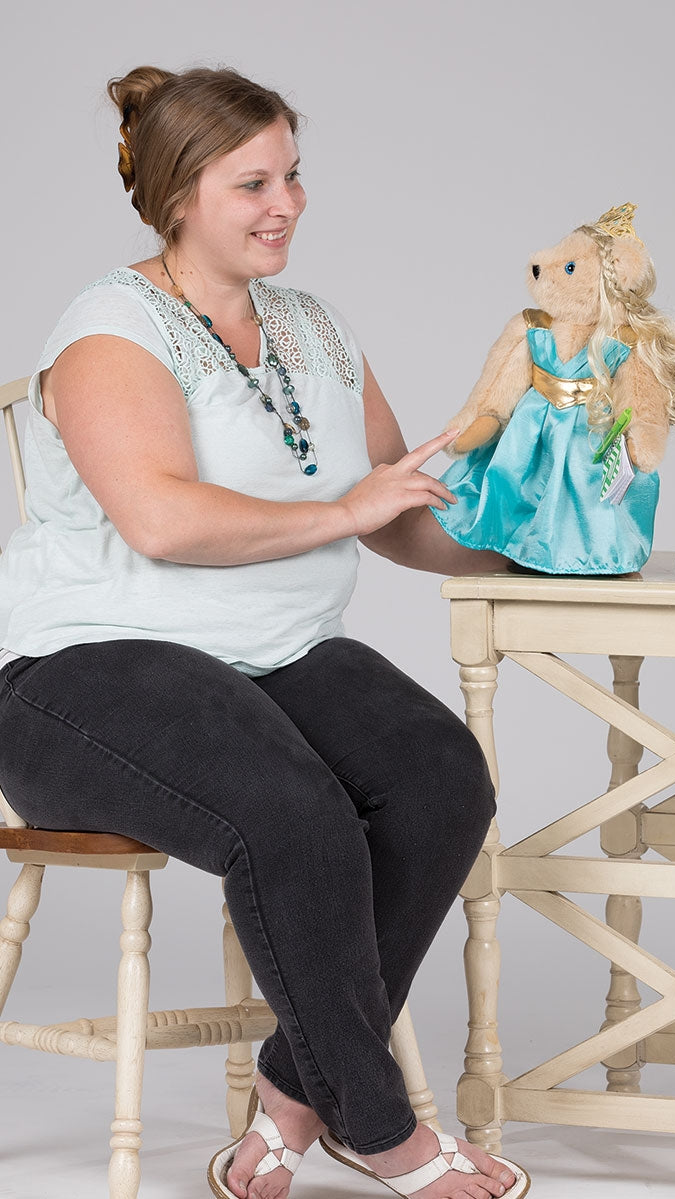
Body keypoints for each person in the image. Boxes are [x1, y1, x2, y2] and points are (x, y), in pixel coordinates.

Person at [0, 66, 530, 1199]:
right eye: (253, 184)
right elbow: (161, 518)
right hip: (86, 670)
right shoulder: (109, 329)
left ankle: (294, 1101)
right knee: (293, 812)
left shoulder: (314, 326)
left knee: (442, 777)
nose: (285, 203)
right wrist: (343, 511)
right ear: (179, 194)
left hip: (275, 655)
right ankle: (381, 1128)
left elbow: (394, 511)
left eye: (292, 175)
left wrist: (526, 546)